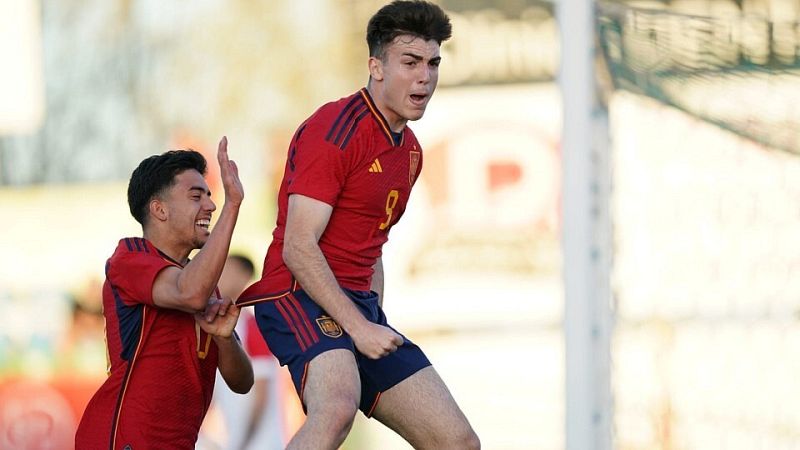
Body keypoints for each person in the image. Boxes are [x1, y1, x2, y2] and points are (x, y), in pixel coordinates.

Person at [237, 2, 480, 448]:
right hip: (296, 294)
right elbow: (298, 246)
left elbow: (373, 246)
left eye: (432, 64)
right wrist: (359, 327)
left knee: (458, 441)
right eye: (410, 62)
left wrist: (372, 317)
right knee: (336, 408)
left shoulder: (410, 152)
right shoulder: (335, 129)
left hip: (356, 309)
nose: (425, 77)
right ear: (376, 67)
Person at [75, 138, 254, 449]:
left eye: (211, 197)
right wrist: (233, 205)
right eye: (196, 196)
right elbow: (190, 294)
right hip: (125, 441)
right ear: (159, 209)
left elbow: (242, 383)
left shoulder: (203, 280)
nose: (210, 206)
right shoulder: (130, 258)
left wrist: (225, 339)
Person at [212, 254, 287, 450]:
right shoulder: (213, 326)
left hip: (260, 444)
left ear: (243, 277)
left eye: (226, 271)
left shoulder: (252, 327)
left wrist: (242, 443)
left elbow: (262, 392)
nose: (218, 276)